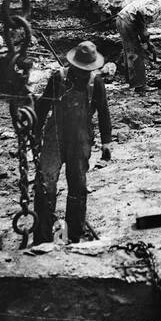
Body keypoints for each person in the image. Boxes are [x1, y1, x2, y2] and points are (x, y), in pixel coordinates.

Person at [33, 40, 112, 245]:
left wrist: (106, 142)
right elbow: (42, 106)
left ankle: (74, 235)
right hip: (55, 137)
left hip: (81, 138)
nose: (85, 74)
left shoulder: (96, 83)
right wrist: (34, 133)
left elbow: (103, 112)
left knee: (77, 185)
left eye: (89, 70)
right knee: (45, 184)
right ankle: (42, 237)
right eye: (81, 70)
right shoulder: (58, 78)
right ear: (74, 65)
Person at [115, 0, 161, 88]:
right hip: (127, 21)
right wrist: (144, 34)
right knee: (136, 53)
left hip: (124, 20)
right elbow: (139, 14)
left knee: (129, 51)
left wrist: (147, 41)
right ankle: (139, 85)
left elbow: (141, 20)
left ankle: (130, 82)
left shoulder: (155, 2)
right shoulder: (156, 5)